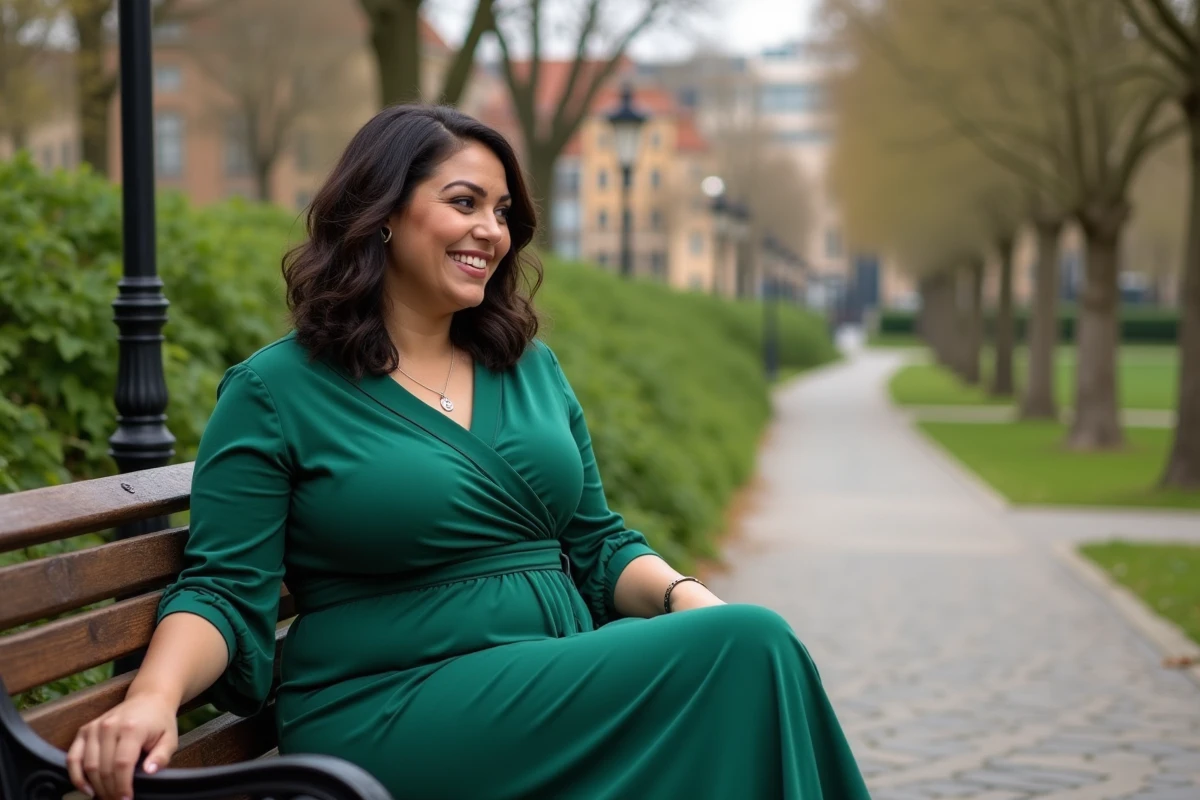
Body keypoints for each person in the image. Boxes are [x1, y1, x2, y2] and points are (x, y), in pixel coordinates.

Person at [66, 104, 870, 800]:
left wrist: (690, 600)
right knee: (750, 648)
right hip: (390, 707)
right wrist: (154, 697)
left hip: (552, 678)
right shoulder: (276, 391)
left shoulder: (528, 368)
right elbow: (224, 587)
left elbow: (594, 540)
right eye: (464, 202)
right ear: (382, 211)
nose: (492, 230)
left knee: (750, 644)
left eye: (502, 211)